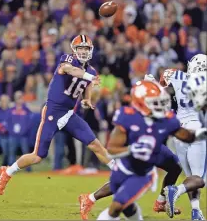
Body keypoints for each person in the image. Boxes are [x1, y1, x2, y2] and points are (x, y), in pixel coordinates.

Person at [0, 35, 114, 195]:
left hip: (69, 114)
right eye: (81, 48)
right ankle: (8, 172)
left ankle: (119, 170)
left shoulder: (91, 71)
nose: (84, 52)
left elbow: (87, 85)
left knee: (95, 144)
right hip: (53, 111)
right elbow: (70, 70)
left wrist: (86, 99)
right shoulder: (68, 60)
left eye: (86, 49)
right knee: (38, 156)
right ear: (74, 50)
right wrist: (89, 77)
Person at [79, 80, 206, 220]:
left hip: (153, 155)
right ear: (141, 103)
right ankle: (90, 198)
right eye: (155, 101)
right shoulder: (128, 116)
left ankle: (161, 202)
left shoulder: (167, 119)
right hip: (131, 158)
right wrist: (133, 149)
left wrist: (201, 133)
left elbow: (186, 136)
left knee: (175, 167)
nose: (160, 105)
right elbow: (112, 148)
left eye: (160, 100)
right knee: (125, 196)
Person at [161, 54, 207, 220]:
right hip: (197, 131)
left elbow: (162, 86)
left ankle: (196, 212)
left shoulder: (176, 75)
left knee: (191, 178)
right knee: (199, 179)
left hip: (179, 132)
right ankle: (176, 190)